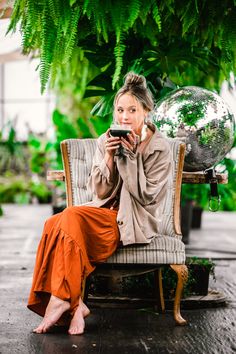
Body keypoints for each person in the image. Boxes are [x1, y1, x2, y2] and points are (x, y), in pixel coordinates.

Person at [28, 72, 171, 335]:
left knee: (68, 217)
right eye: (119, 110)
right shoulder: (107, 139)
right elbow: (98, 190)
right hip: (101, 213)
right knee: (54, 222)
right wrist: (108, 155)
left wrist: (129, 157)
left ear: (146, 111)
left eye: (132, 110)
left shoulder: (161, 148)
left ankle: (65, 302)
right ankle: (75, 304)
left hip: (129, 222)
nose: (124, 117)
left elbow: (146, 196)